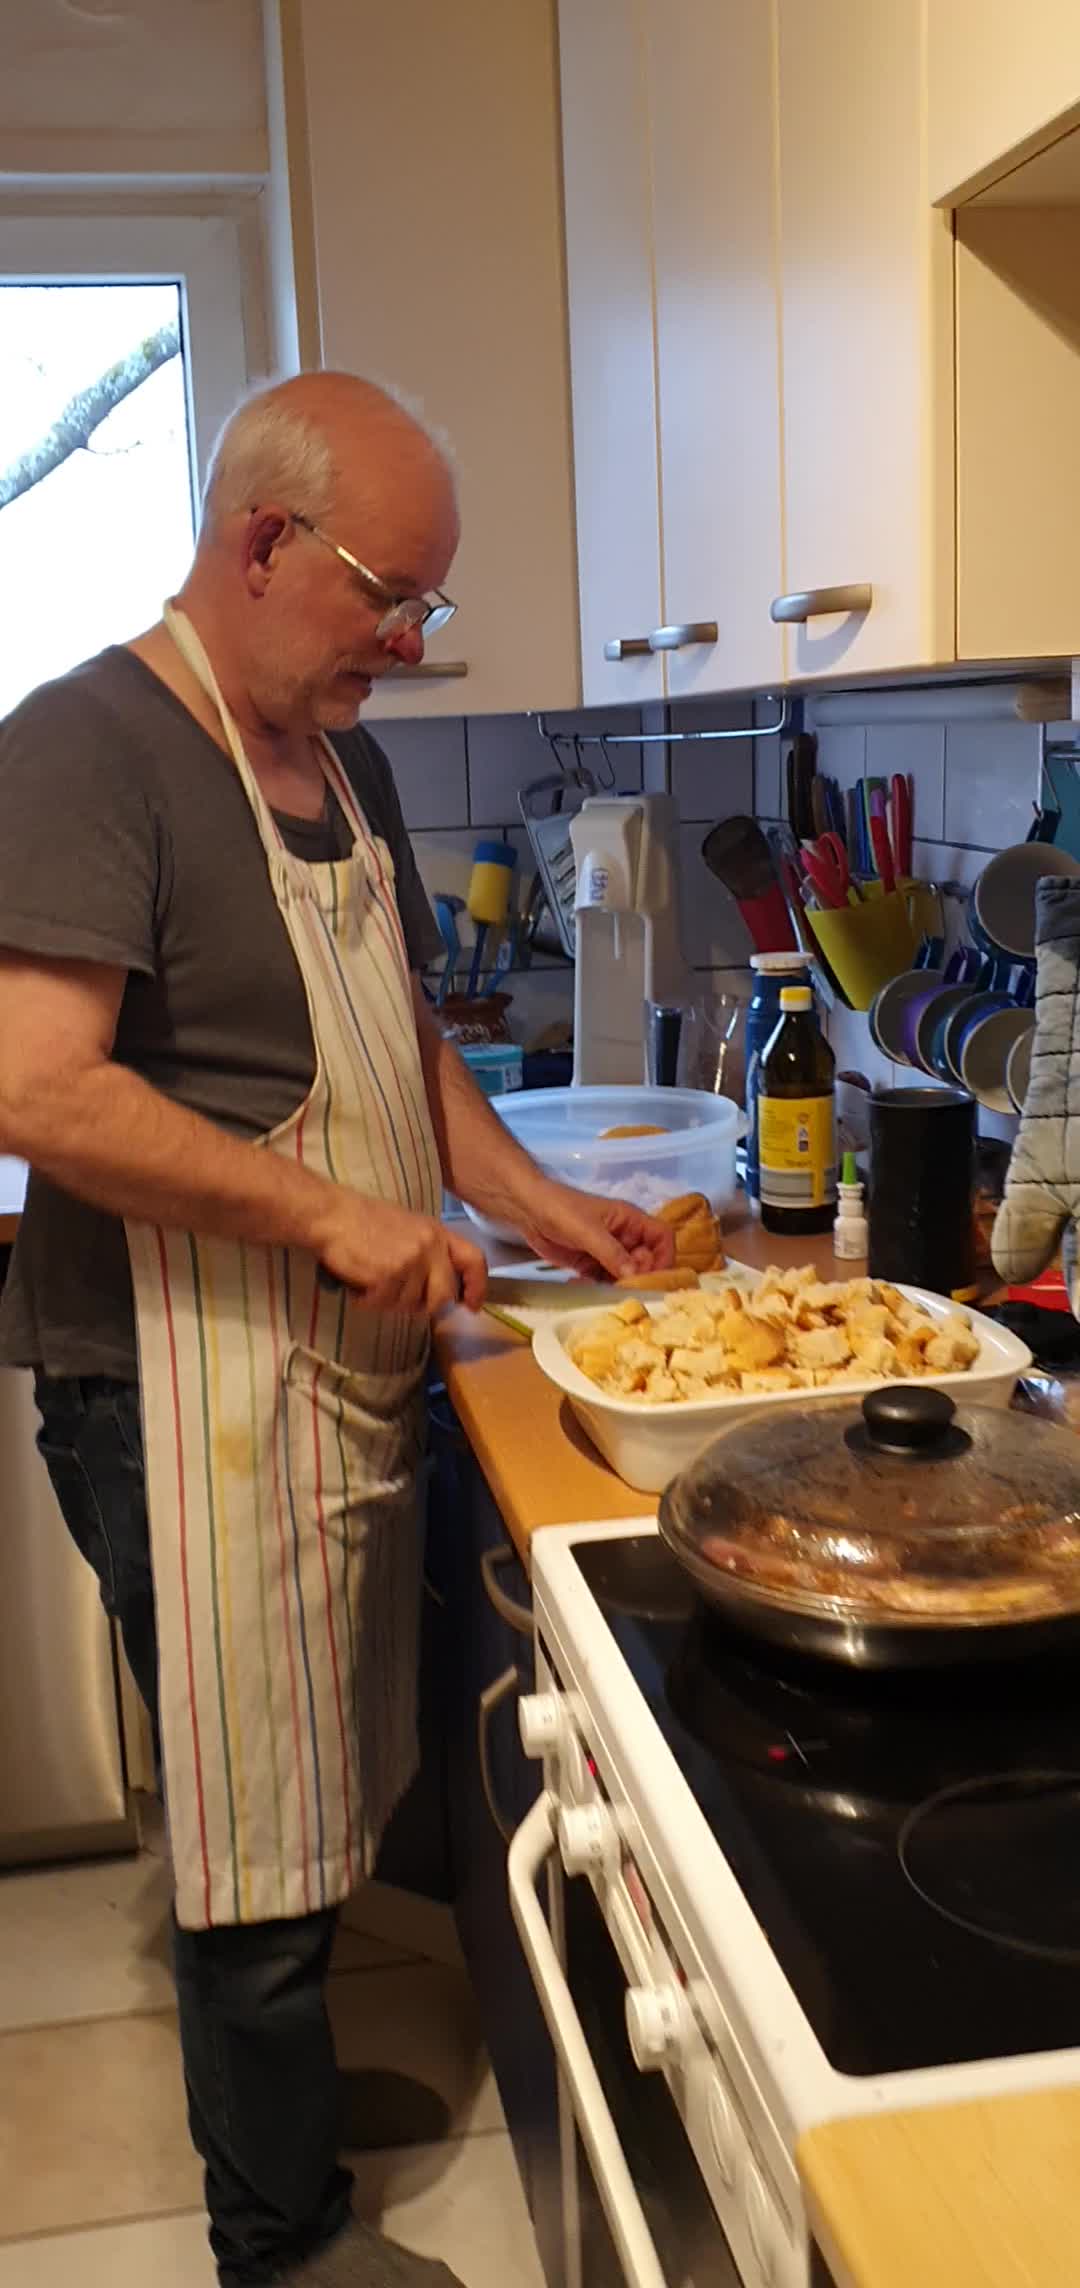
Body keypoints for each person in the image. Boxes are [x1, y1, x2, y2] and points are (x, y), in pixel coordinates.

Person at [0, 371, 672, 2286]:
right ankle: (277, 2232)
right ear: (260, 543)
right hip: (174, 1384)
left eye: (429, 601)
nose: (412, 635)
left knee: (315, 1775)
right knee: (245, 1811)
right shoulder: (84, 748)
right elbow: (35, 1087)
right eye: (392, 593)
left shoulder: (342, 760)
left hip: (322, 1373)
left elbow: (406, 1040)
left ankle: (272, 2093)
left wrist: (537, 1204)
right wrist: (326, 1215)